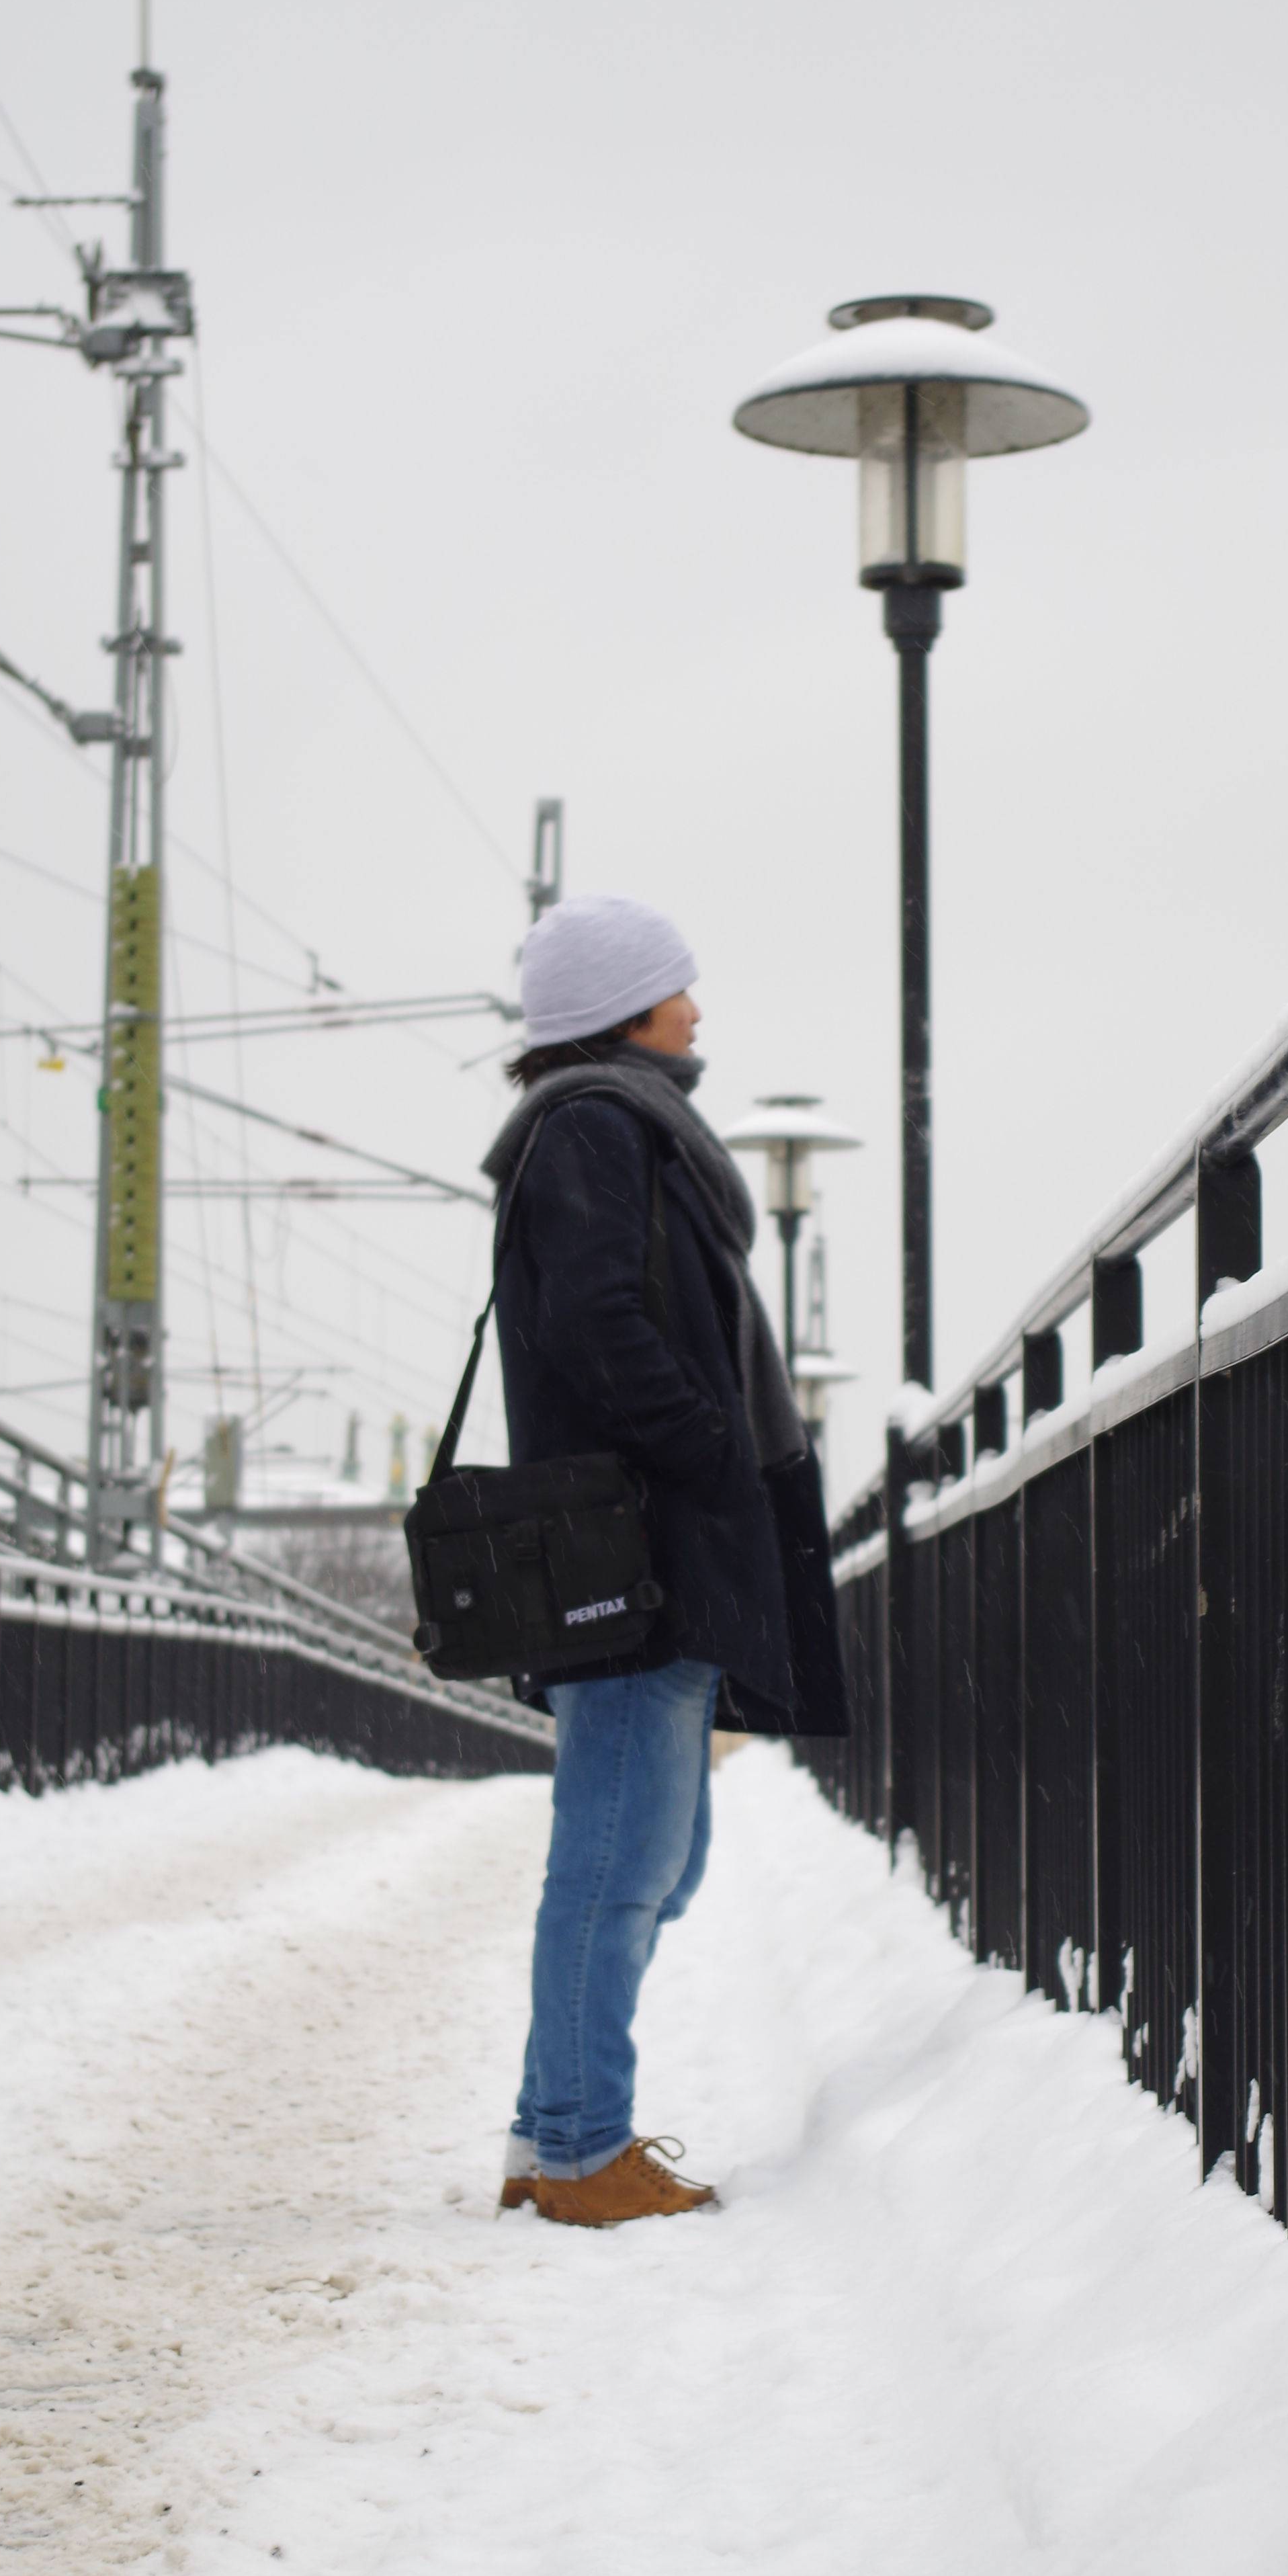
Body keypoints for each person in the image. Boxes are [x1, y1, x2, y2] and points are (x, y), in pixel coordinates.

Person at [482, 893, 847, 2230]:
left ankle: (545, 2131)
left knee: (651, 1859)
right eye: (681, 989)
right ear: (627, 1006)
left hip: (657, 1544)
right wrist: (703, 1444)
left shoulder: (612, 1120)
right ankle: (582, 2153)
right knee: (620, 1863)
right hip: (636, 1548)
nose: (700, 1010)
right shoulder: (594, 1122)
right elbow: (595, 1320)